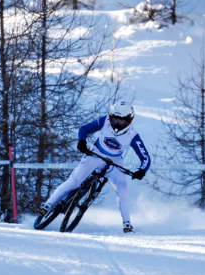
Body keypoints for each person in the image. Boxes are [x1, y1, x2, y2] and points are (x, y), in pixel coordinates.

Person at [38, 100, 151, 233]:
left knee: (122, 189)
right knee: (75, 180)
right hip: (96, 153)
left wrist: (142, 170)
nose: (117, 123)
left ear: (129, 120)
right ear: (110, 116)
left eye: (121, 121)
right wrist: (81, 141)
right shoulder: (105, 121)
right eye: (114, 119)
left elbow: (146, 158)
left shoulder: (133, 135)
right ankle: (48, 204)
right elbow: (84, 129)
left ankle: (127, 223)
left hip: (115, 161)